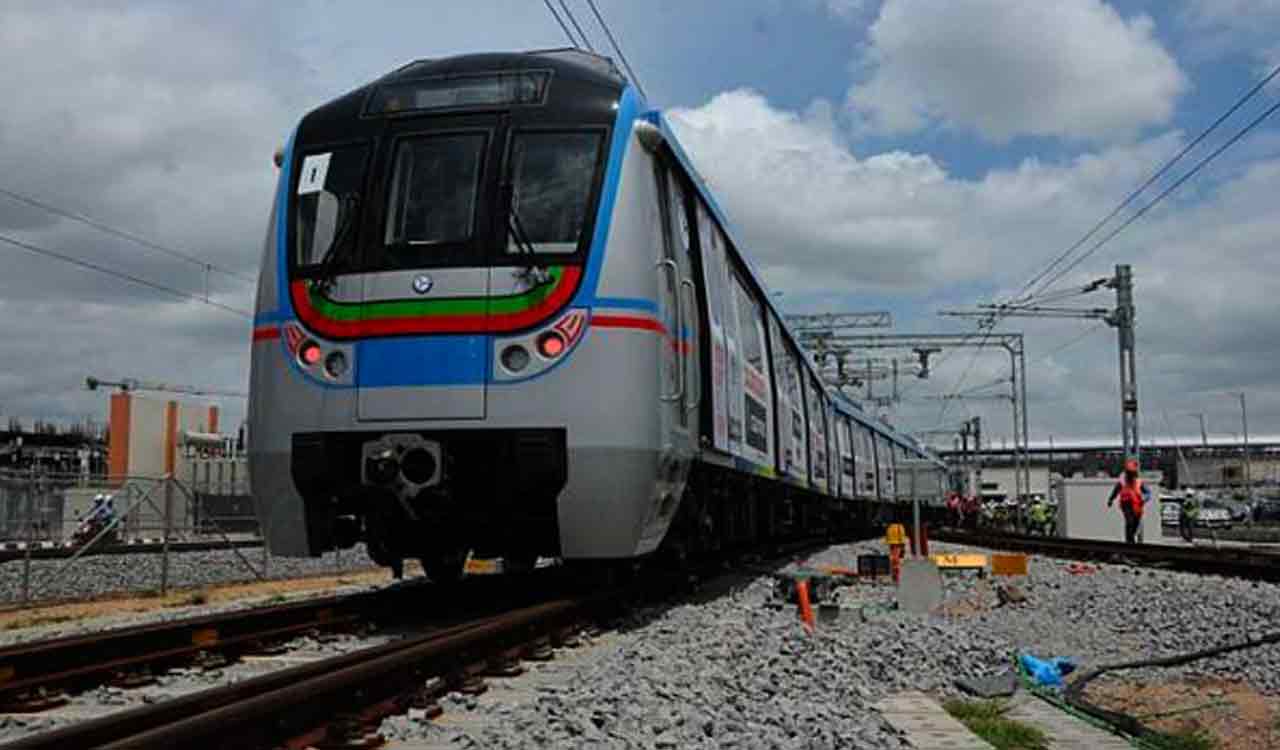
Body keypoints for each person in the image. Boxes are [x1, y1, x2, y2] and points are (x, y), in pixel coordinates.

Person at [1107, 459, 1151, 544]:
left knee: (1135, 523)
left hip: (1138, 505)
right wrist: (1110, 499)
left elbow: (1148, 492)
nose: (1131, 476)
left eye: (1132, 473)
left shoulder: (1139, 482)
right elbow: (1115, 491)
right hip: (1126, 504)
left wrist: (1144, 498)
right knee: (1129, 522)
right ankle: (1129, 542)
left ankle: (1131, 538)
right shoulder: (1122, 482)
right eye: (1129, 473)